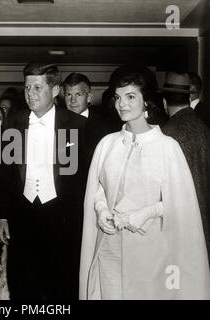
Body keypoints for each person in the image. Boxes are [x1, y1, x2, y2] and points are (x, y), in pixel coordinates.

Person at [79, 65, 210, 300]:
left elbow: (181, 203)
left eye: (131, 97)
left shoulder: (167, 147)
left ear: (146, 101)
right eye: (118, 98)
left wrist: (146, 213)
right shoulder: (107, 144)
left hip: (149, 253)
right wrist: (100, 209)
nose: (122, 104)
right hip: (108, 249)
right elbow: (98, 187)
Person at [0, 63, 90, 299]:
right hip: (23, 216)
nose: (30, 94)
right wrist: (1, 214)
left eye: (37, 87)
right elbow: (3, 173)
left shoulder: (78, 125)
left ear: (55, 91)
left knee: (62, 285)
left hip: (64, 218)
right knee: (24, 284)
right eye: (27, 87)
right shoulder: (12, 123)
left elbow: (84, 178)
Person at [161, 71, 210, 260]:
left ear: (165, 102)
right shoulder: (204, 128)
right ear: (189, 98)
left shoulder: (167, 134)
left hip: (182, 228)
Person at [63, 72, 109, 147]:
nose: (73, 100)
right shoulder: (57, 123)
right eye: (69, 95)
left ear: (89, 97)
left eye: (78, 94)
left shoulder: (103, 127)